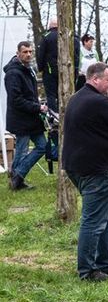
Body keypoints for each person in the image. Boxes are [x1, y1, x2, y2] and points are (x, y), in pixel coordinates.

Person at [63, 63, 108, 281]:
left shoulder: (76, 98)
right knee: (94, 221)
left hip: (77, 166)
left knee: (106, 218)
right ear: (95, 79)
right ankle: (87, 270)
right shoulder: (99, 101)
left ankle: (105, 264)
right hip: (98, 170)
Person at [5, 41, 49, 191]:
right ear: (18, 54)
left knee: (43, 146)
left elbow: (30, 94)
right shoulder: (13, 73)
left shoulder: (28, 69)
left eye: (30, 51)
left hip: (32, 117)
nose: (29, 54)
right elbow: (16, 99)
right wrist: (38, 107)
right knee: (22, 150)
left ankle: (17, 176)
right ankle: (17, 180)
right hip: (20, 119)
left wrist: (37, 104)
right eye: (25, 52)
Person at [36, 18, 59, 111]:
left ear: (50, 26)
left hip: (49, 71)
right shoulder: (65, 36)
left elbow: (40, 54)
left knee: (51, 95)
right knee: (62, 94)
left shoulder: (46, 37)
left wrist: (40, 68)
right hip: (64, 72)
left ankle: (53, 116)